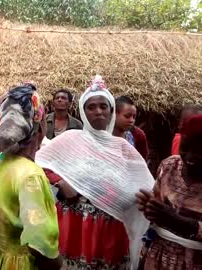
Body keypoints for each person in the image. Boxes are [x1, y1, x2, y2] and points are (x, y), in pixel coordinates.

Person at [36, 75, 154, 269]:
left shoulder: (123, 148)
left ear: (111, 111)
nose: (98, 111)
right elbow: (40, 161)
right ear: (83, 112)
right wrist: (61, 182)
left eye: (103, 106)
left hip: (110, 228)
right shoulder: (71, 139)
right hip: (74, 225)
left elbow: (144, 186)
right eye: (91, 107)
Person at [0, 85, 61, 270]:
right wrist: (60, 265)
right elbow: (40, 243)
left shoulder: (0, 161)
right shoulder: (30, 175)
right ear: (39, 127)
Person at [136, 115, 202, 270]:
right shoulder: (169, 165)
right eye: (184, 148)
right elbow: (158, 211)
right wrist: (151, 208)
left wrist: (176, 220)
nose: (189, 157)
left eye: (199, 151)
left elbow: (170, 218)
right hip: (158, 256)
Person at [114, 96, 149, 160]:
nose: (131, 120)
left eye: (134, 117)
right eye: (127, 116)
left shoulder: (138, 135)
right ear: (114, 114)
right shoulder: (103, 133)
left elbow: (142, 162)